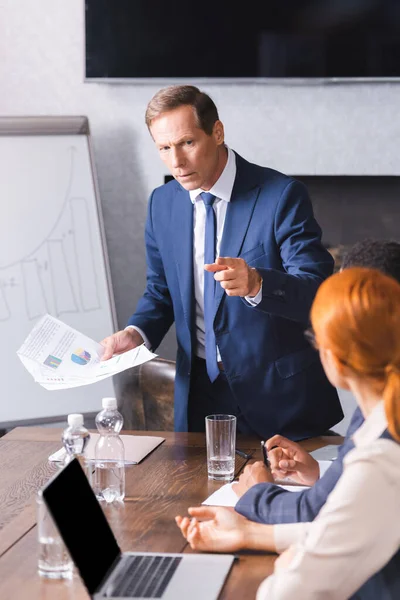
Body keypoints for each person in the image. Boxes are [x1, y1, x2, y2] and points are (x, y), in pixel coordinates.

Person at [101, 84, 342, 439]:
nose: (176, 162)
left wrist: (259, 283)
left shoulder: (281, 196)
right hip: (199, 396)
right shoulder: (162, 203)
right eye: (164, 148)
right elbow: (161, 290)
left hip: (279, 399)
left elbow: (318, 293)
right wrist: (137, 332)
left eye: (187, 143)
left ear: (217, 132)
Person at [176, 266, 400, 599]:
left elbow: (283, 593)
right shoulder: (383, 424)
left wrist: (286, 561)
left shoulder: (379, 460)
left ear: (335, 360)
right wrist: (250, 534)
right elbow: (349, 529)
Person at [232, 238, 400, 525]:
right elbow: (366, 491)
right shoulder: (383, 388)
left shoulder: (386, 409)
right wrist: (320, 476)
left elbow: (320, 514)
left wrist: (259, 492)